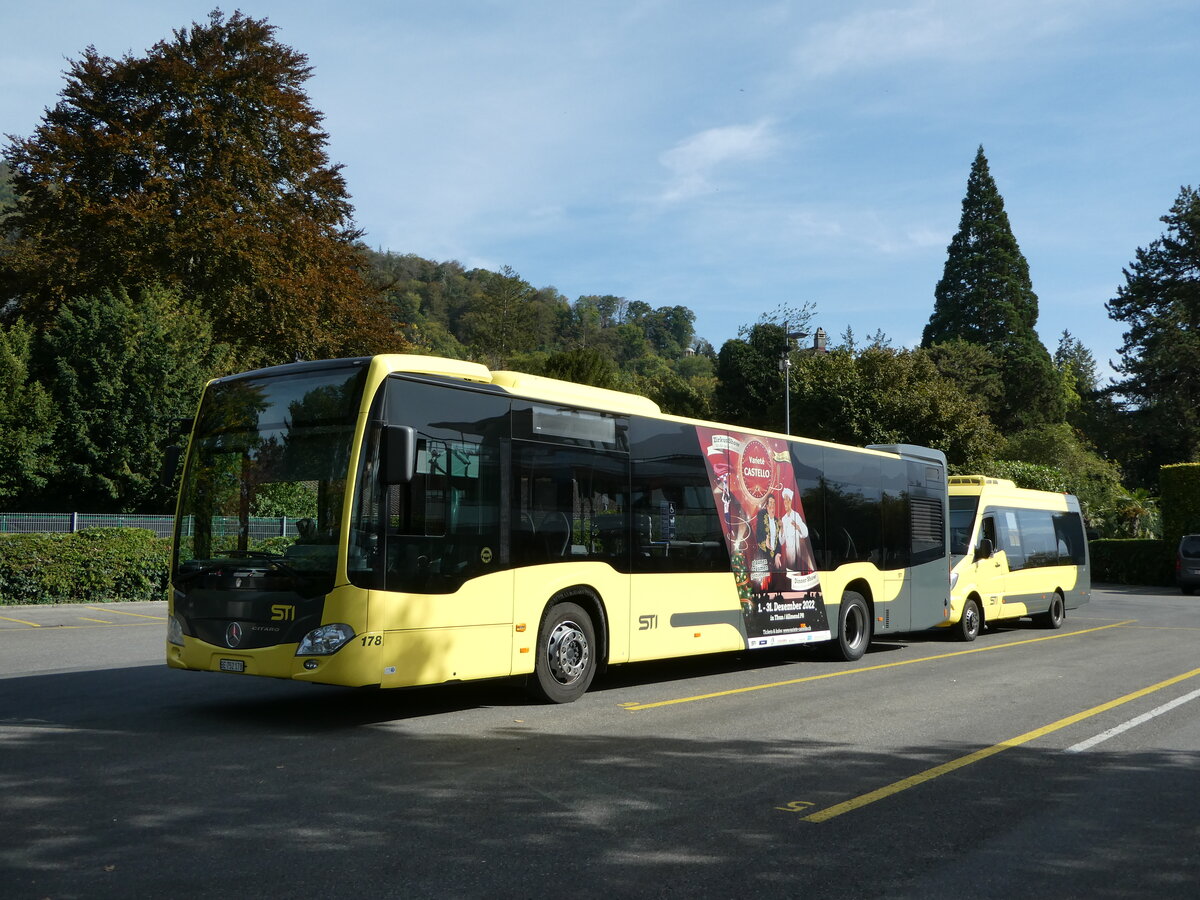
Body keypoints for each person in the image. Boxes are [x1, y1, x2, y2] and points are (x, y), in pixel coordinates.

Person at [778, 488, 809, 571]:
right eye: (784, 500)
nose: (785, 502)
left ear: (791, 501)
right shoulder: (783, 519)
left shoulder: (796, 515)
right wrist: (781, 527)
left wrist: (797, 526)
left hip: (797, 556)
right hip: (788, 557)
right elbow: (781, 541)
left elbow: (805, 533)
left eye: (787, 499)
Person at [757, 491, 782, 569]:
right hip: (763, 554)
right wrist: (766, 538)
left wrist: (777, 554)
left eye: (774, 503)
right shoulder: (762, 514)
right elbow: (761, 528)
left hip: (773, 557)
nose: (772, 505)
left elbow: (778, 540)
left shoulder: (776, 520)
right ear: (767, 505)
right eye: (770, 502)